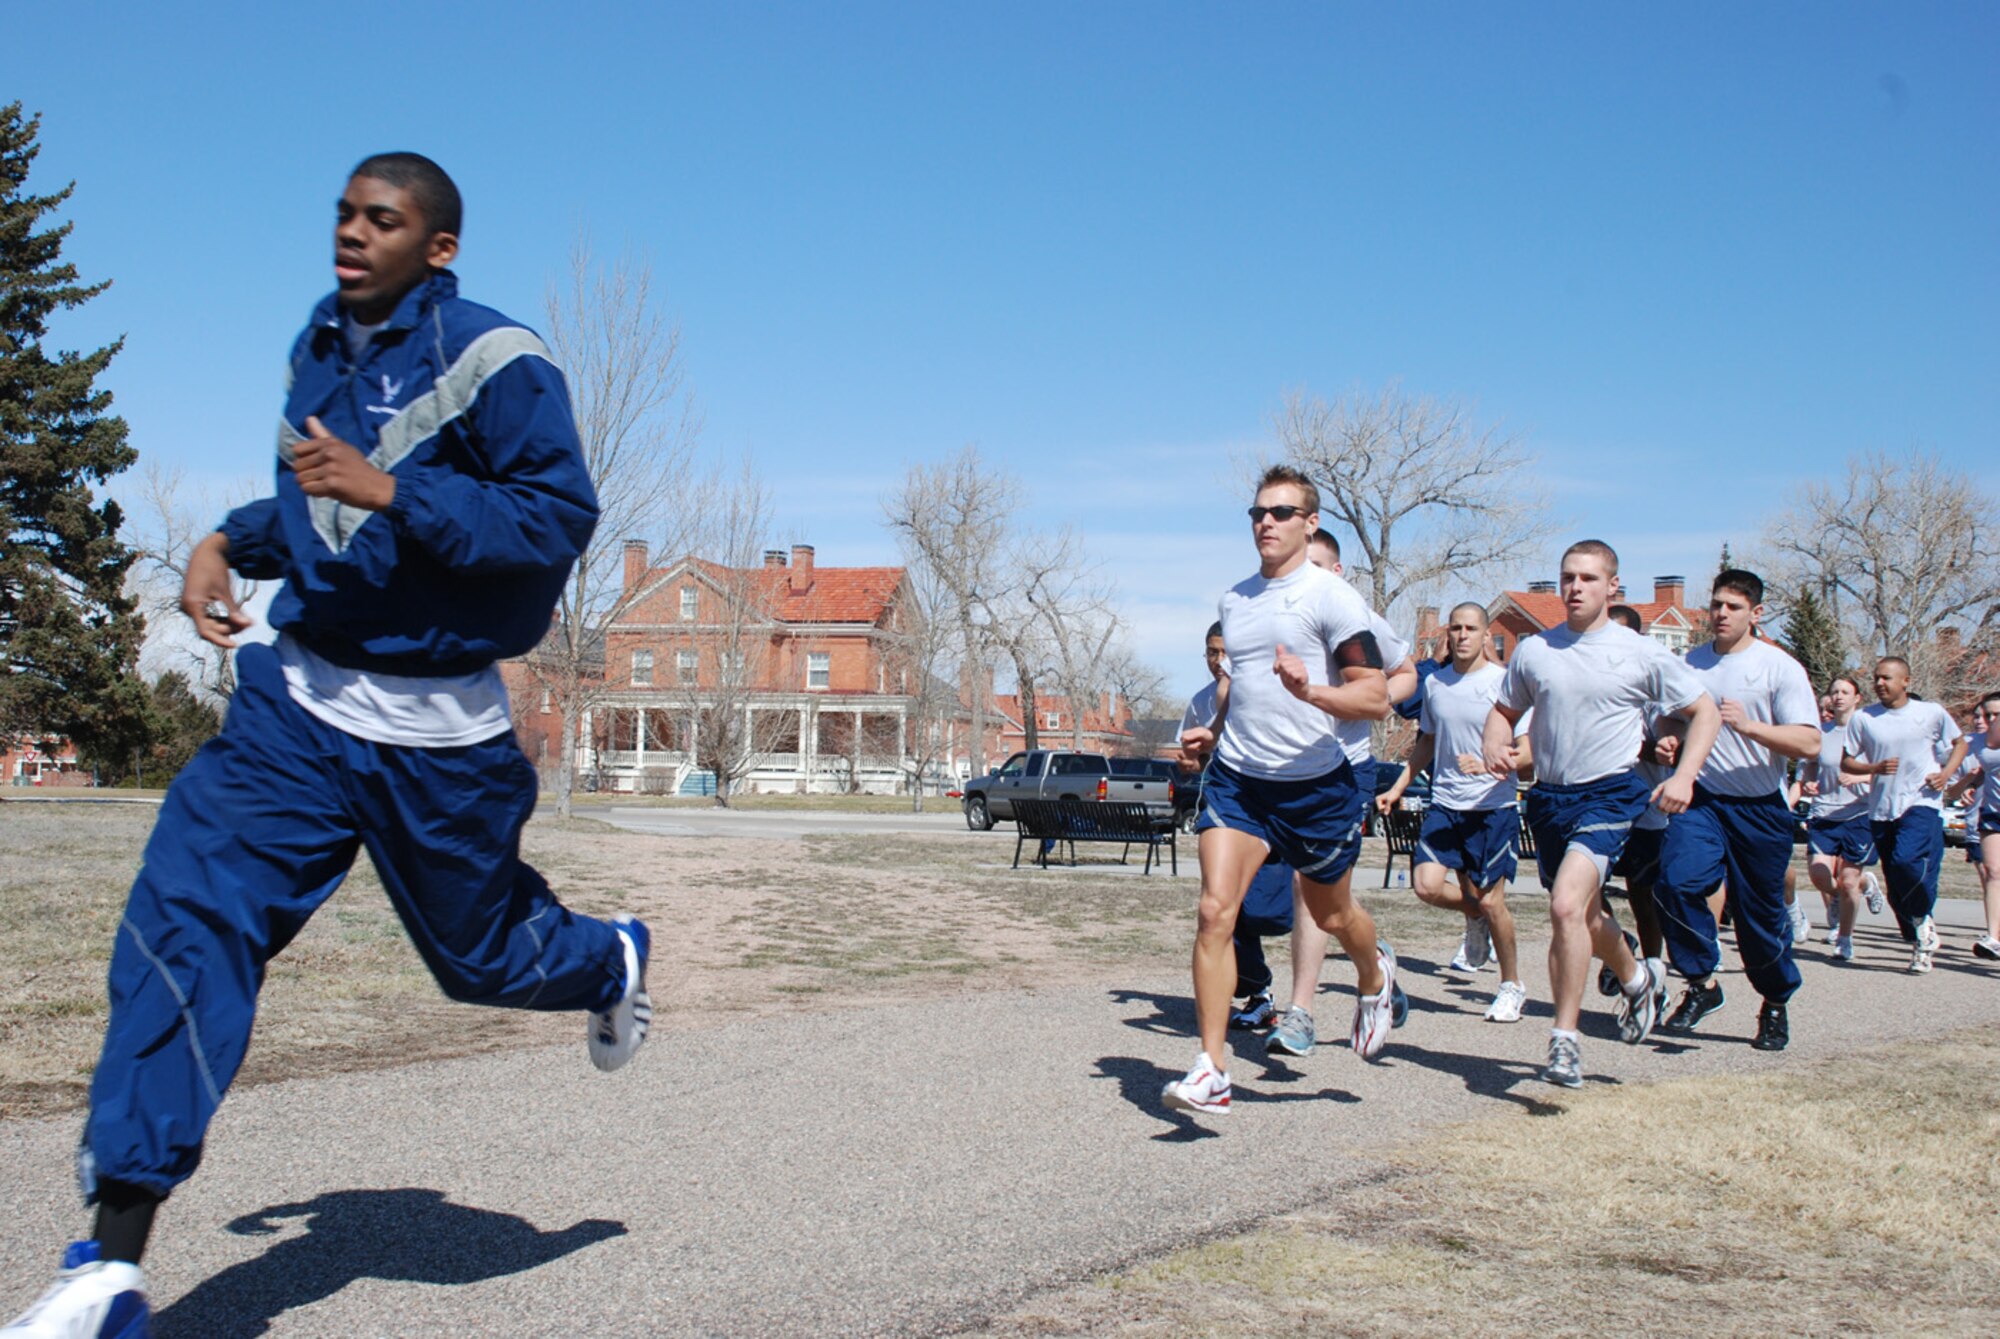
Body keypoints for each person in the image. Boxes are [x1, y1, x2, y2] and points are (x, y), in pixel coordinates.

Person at [3, 154, 653, 1339]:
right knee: (183, 931)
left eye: (382, 219)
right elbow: (319, 503)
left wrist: (400, 494)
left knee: (485, 961)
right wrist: (225, 538)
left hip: (434, 735)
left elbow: (553, 522)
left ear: (437, 247)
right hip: (292, 713)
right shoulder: (324, 338)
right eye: (345, 213)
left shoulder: (500, 360)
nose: (351, 233)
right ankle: (108, 1264)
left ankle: (606, 960)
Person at [1167, 467, 1396, 1116]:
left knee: (1332, 915)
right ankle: (1212, 1066)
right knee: (1216, 910)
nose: (1266, 522)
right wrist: (1210, 733)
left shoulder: (1331, 599)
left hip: (1315, 785)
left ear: (1310, 522)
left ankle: (1374, 975)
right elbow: (1237, 688)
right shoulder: (1235, 601)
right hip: (1240, 781)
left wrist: (1312, 692)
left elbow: (1375, 696)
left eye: (1281, 511)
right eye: (1257, 512)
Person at [1482, 540, 1718, 1088]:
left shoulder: (1641, 653)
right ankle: (1636, 978)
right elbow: (1504, 709)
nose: (1574, 588)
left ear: (1613, 587)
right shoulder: (1536, 650)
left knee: (1566, 907)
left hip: (1611, 794)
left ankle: (1564, 1042)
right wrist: (1498, 743)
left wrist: (1684, 776)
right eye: (1567, 577)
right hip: (1549, 799)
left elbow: (1703, 711)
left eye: (1588, 578)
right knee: (1585, 917)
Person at [1252, 531, 1415, 1057]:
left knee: (1308, 886)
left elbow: (1405, 672)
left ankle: (1300, 1013)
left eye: (1315, 567)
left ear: (1337, 573)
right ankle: (1375, 959)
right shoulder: (1271, 611)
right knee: (1330, 897)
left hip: (1345, 770)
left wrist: (1372, 698)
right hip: (1280, 772)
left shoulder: (1357, 619)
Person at [1650, 571, 1820, 1051]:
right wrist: (1668, 740)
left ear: (1756, 613)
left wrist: (1751, 727)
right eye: (1717, 605)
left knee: (1758, 918)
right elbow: (1669, 716)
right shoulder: (1691, 663)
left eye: (1734, 607)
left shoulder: (1778, 667)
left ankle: (1775, 1002)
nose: (1722, 615)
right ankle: (1703, 983)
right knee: (1674, 884)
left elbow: (1809, 740)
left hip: (1759, 809)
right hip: (1701, 800)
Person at [1377, 602, 1532, 1021]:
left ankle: (1511, 985)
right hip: (1446, 803)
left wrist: (1491, 763)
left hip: (1492, 806)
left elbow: (1528, 753)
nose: (1463, 636)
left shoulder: (1506, 685)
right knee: (1426, 886)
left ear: (1486, 636)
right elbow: (1426, 742)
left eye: (1471, 629)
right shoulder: (1436, 685)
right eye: (1456, 629)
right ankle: (1473, 915)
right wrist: (1397, 786)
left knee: (1493, 901)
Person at [1843, 657, 1966, 972]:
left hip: (1921, 801)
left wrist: (1946, 774)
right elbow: (1847, 762)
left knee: (1906, 861)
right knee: (1896, 882)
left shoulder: (1931, 713)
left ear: (1906, 681)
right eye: (1876, 678)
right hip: (1882, 808)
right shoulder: (1864, 718)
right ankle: (1920, 936)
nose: (1880, 684)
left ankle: (1922, 921)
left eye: (1886, 678)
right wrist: (1874, 768)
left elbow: (1960, 744)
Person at [1801, 676, 1878, 962]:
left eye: (1845, 692)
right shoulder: (1822, 733)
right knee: (1819, 875)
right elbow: (1809, 766)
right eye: (1834, 692)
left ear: (1857, 697)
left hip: (1858, 812)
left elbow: (1887, 769)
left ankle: (1845, 939)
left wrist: (1860, 775)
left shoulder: (1870, 731)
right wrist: (1810, 782)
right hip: (1824, 812)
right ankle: (1857, 890)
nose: (1839, 696)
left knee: (1848, 881)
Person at [1944, 694, 2000, 961]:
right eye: (1985, 715)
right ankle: (1993, 937)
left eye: (1995, 715)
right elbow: (1973, 776)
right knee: (1993, 872)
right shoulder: (1974, 743)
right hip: (1992, 813)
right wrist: (1969, 785)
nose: (1989, 720)